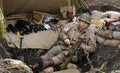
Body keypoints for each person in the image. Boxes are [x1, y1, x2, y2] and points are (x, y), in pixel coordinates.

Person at [29, 13, 96, 71]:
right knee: (53, 50)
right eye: (82, 22)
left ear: (88, 25)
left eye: (86, 23)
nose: (83, 24)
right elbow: (62, 32)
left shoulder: (90, 34)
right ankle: (35, 65)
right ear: (79, 21)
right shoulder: (71, 25)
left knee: (62, 55)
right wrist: (65, 39)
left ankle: (45, 64)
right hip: (64, 46)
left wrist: (82, 47)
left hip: (75, 53)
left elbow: (93, 48)